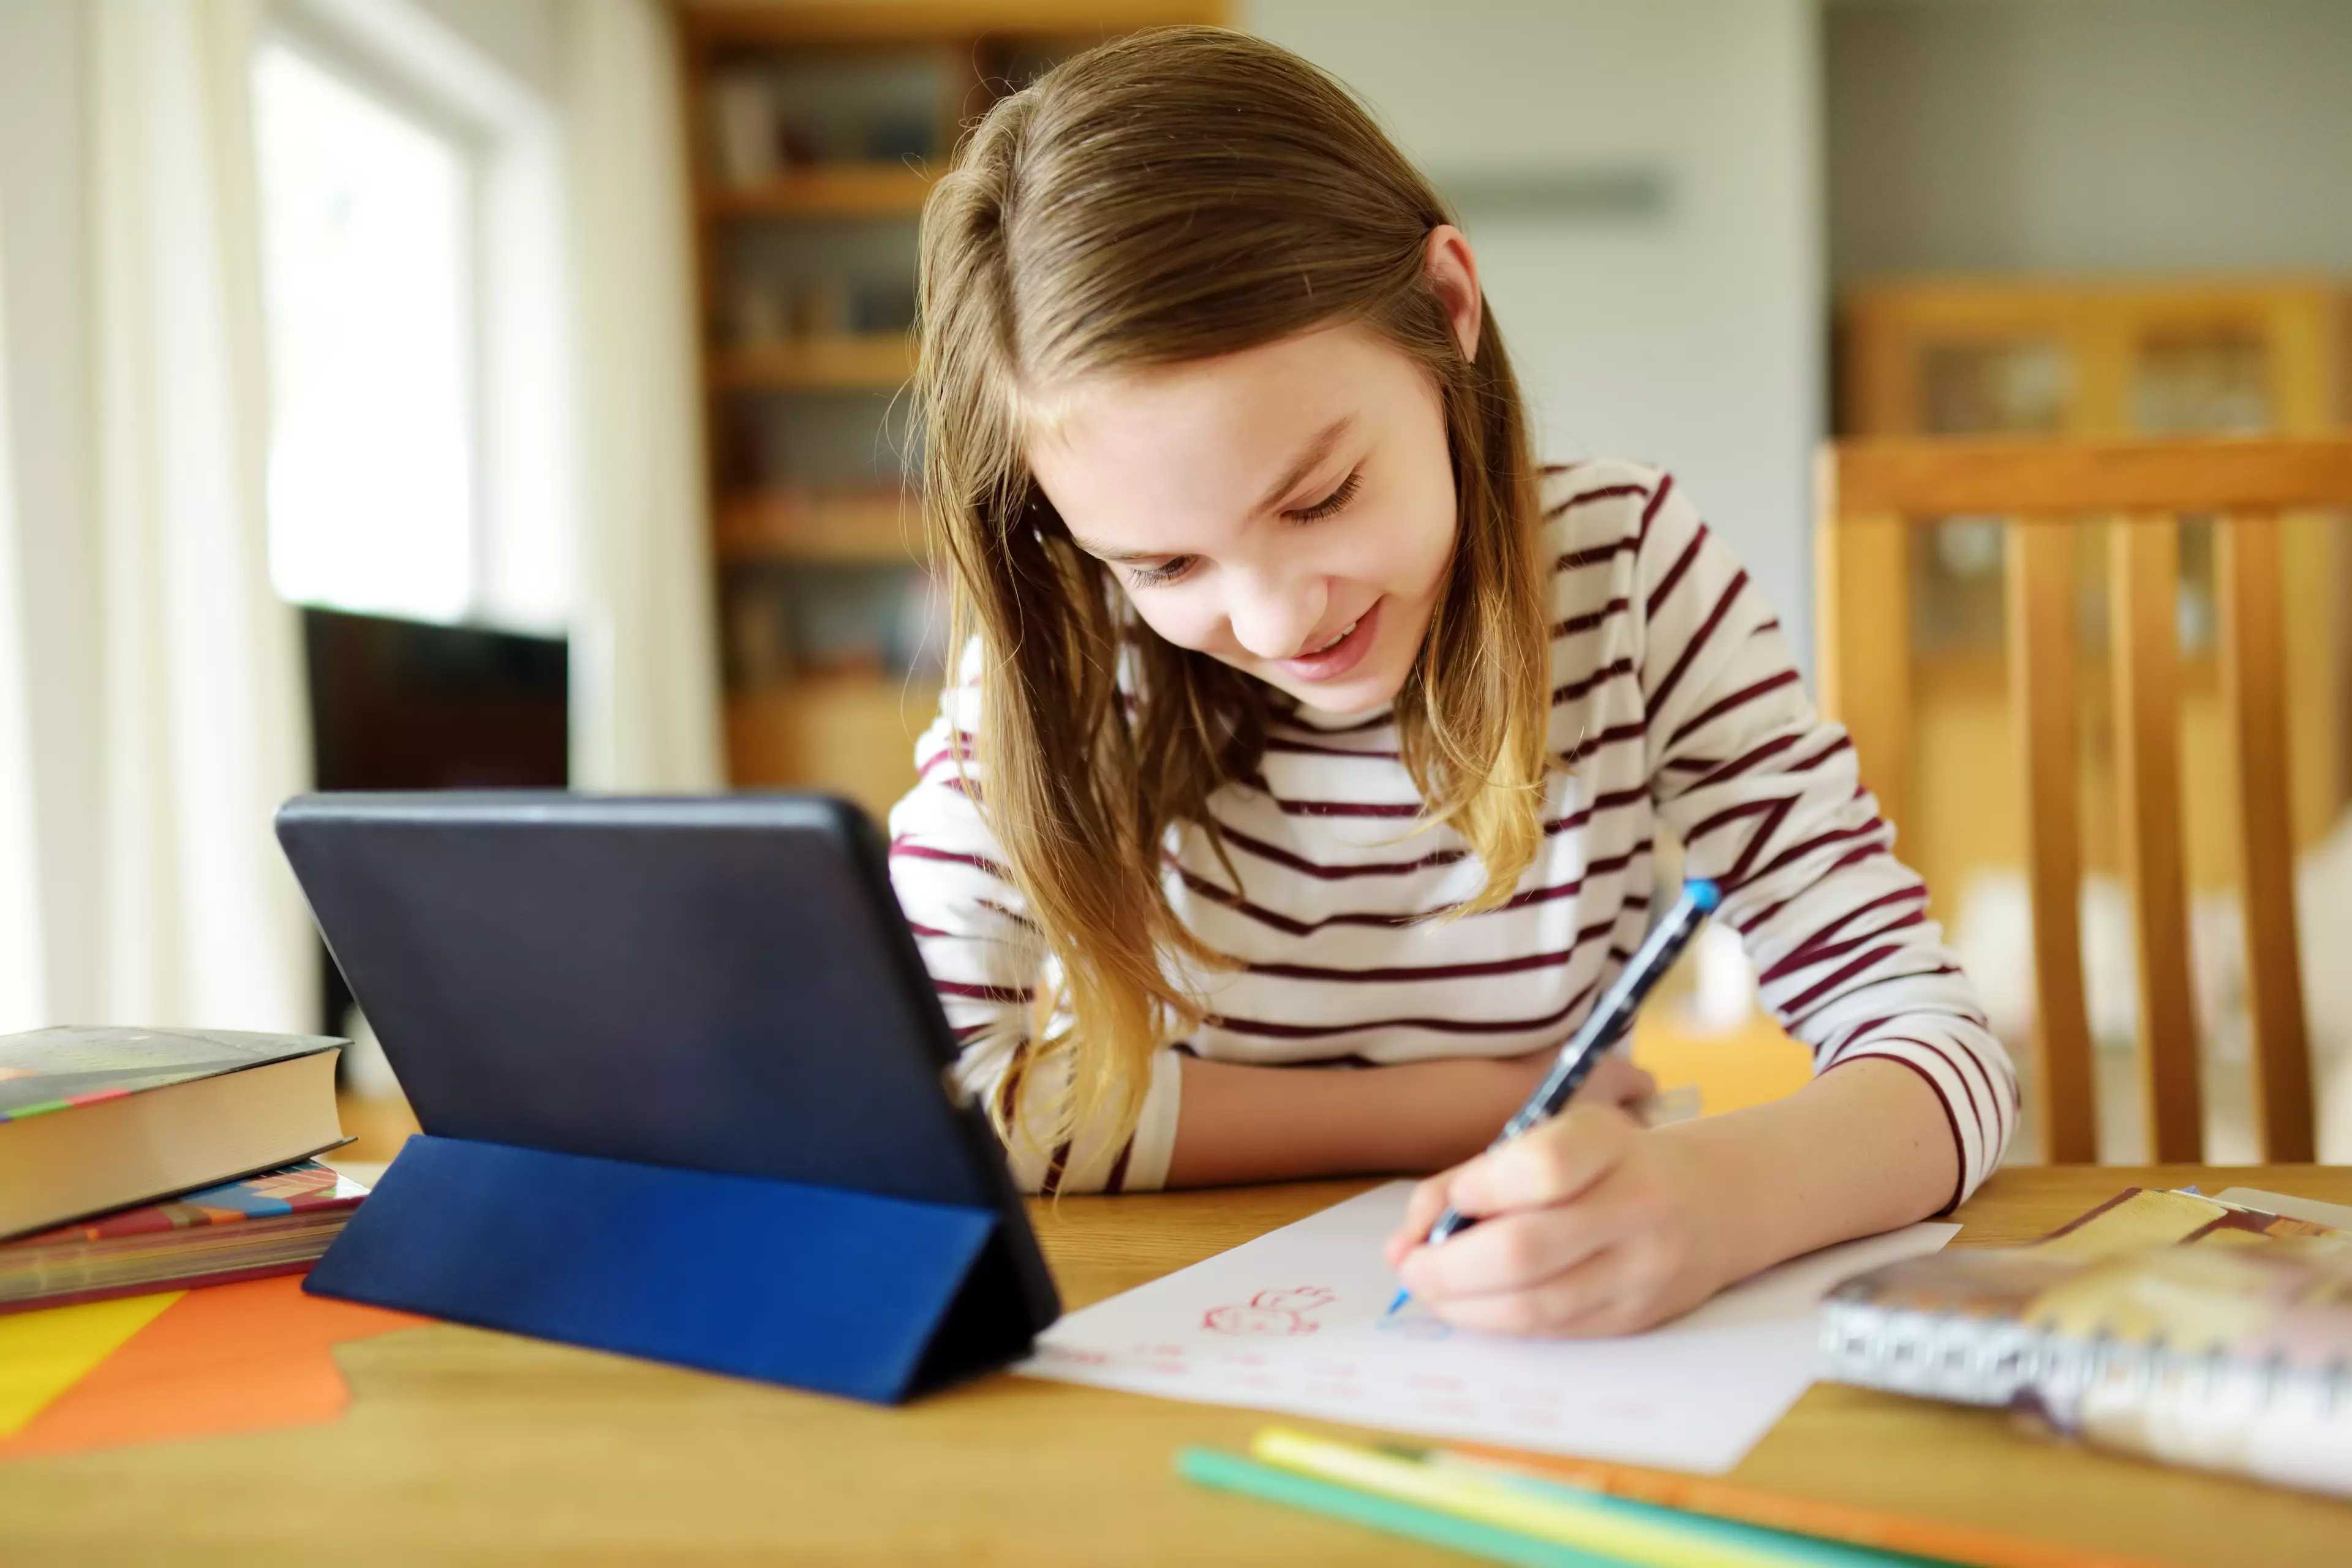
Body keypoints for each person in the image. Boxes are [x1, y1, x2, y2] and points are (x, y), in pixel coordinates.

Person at [889, 27, 2015, 1337]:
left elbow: (1940, 1044)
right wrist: (1476, 1097)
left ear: (1449, 307)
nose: (1270, 617)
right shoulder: (1063, 646)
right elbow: (934, 1102)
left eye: (1319, 498)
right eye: (1168, 561)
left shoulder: (1631, 574)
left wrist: (1716, 1200)